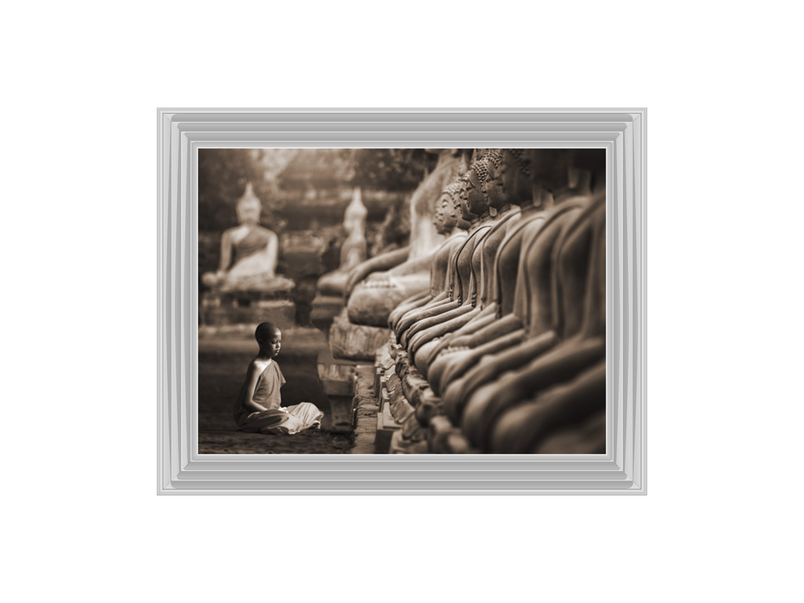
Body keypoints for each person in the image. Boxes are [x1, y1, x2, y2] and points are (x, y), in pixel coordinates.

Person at [232, 323, 323, 435]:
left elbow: (274, 399)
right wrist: (271, 413)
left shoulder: (274, 364)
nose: (278, 346)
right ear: (261, 342)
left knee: (310, 407)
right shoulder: (256, 365)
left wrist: (279, 410)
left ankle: (293, 424)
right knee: (286, 419)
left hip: (275, 413)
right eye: (274, 342)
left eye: (279, 342)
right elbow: (247, 402)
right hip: (256, 415)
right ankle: (294, 423)